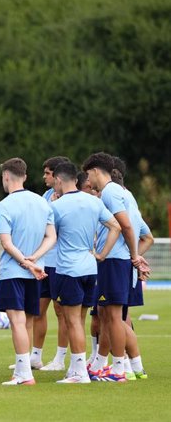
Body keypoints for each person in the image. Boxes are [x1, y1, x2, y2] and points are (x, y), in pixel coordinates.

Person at [50, 161, 121, 384]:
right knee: (78, 319)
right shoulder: (93, 201)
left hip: (68, 269)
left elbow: (52, 237)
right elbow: (116, 227)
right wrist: (101, 254)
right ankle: (75, 368)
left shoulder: (57, 207)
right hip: (90, 268)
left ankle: (80, 373)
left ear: (59, 180)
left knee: (72, 321)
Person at [85, 154, 150, 382]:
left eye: (87, 174)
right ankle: (105, 365)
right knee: (106, 315)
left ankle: (120, 370)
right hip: (116, 260)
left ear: (95, 171)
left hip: (114, 260)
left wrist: (134, 257)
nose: (87, 179)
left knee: (114, 318)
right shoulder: (123, 193)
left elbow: (126, 226)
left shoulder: (111, 192)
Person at [0, 158, 56, 385]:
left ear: (6, 177)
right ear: (26, 177)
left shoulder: (4, 206)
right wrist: (35, 258)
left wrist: (27, 262)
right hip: (34, 272)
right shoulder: (42, 203)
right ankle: (23, 370)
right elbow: (51, 237)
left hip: (14, 272)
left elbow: (7, 243)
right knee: (27, 322)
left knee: (18, 322)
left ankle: (24, 374)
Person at [33, 156, 70, 372]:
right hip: (44, 261)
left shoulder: (71, 198)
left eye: (47, 173)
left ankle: (59, 358)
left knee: (61, 310)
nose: (44, 177)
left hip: (61, 262)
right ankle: (36, 356)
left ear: (57, 175)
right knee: (38, 309)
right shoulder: (46, 195)